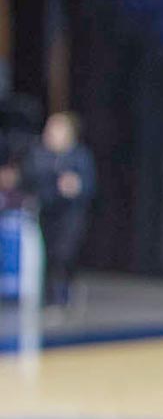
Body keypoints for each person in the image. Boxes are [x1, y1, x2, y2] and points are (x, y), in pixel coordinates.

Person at [25, 111, 96, 307]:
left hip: (71, 214)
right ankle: (49, 295)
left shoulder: (80, 156)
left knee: (64, 253)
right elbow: (30, 181)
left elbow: (89, 186)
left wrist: (76, 186)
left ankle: (65, 291)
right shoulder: (38, 155)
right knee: (46, 254)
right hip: (46, 212)